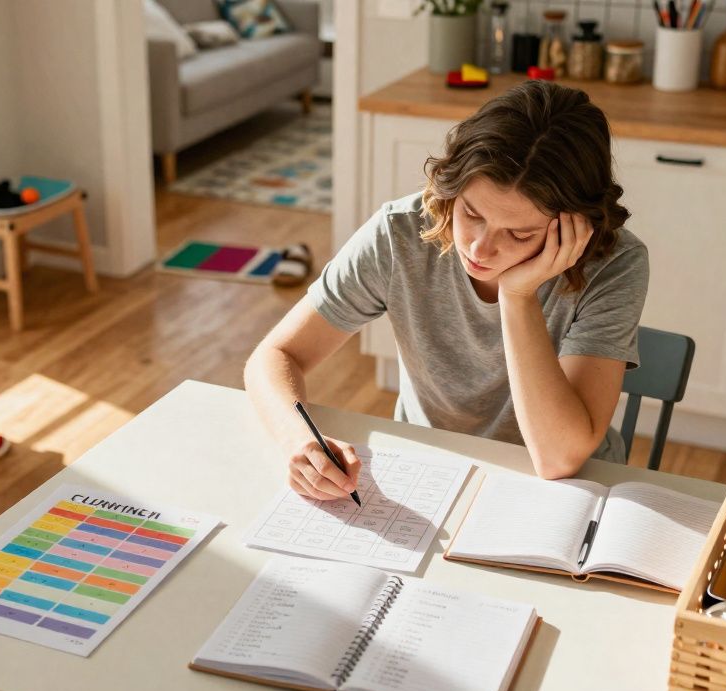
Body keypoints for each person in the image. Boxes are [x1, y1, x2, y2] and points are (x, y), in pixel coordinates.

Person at [244, 80, 647, 501]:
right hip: (433, 471)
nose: (479, 247)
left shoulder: (615, 265)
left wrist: (517, 297)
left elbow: (557, 459)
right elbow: (275, 356)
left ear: (574, 226)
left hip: (568, 491)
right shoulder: (400, 232)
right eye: (471, 212)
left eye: (519, 233)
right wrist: (297, 440)